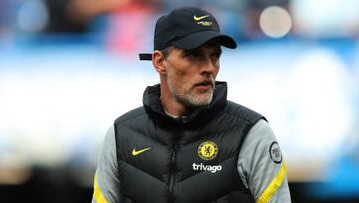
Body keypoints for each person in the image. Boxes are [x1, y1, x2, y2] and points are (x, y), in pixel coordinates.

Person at [91, 7, 291, 203]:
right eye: (194, 55)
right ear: (160, 62)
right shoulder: (120, 136)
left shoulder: (252, 134)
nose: (209, 68)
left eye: (215, 56)